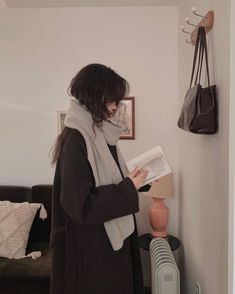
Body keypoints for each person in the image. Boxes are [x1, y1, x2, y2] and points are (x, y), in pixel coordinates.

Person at [50, 63, 149, 294]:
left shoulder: (100, 134)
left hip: (103, 246)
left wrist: (135, 183)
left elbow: (109, 182)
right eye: (112, 100)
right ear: (96, 97)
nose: (115, 107)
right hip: (91, 253)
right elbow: (80, 205)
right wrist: (128, 187)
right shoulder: (77, 139)